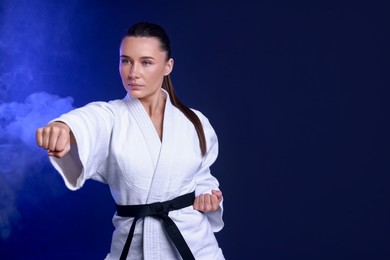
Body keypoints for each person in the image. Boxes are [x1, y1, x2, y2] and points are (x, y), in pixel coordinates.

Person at [36, 21, 225, 259]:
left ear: (168, 66)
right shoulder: (112, 117)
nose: (133, 72)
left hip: (196, 248)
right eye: (126, 61)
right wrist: (64, 127)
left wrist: (209, 195)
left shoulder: (194, 122)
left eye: (146, 62)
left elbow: (201, 175)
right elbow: (89, 121)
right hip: (133, 250)